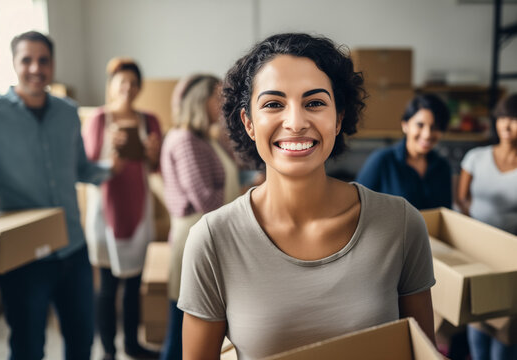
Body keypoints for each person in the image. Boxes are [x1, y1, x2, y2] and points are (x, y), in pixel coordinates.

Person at [177, 33, 436, 359]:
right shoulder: (213, 239)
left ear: (339, 118)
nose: (296, 122)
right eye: (273, 104)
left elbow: (423, 352)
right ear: (249, 123)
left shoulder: (399, 223)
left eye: (315, 103)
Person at [0, 31, 119, 360]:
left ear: (53, 64)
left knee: (82, 341)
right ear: (13, 63)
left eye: (43, 60)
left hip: (73, 249)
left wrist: (114, 167)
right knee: (28, 347)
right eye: (27, 60)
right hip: (24, 257)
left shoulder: (68, 113)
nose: (36, 68)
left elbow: (82, 169)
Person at [82, 58, 161, 360]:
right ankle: (108, 350)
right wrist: (110, 160)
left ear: (140, 88)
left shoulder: (150, 120)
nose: (127, 88)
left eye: (133, 83)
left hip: (138, 208)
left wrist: (153, 155)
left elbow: (156, 168)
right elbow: (87, 165)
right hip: (106, 211)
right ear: (112, 86)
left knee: (134, 284)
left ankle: (132, 343)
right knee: (107, 286)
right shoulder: (98, 119)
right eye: (122, 82)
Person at [159, 74, 240, 360]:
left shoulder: (205, 138)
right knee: (182, 326)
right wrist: (242, 197)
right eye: (216, 97)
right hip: (193, 235)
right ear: (199, 100)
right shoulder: (184, 140)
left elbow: (231, 173)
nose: (222, 103)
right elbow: (206, 199)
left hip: (210, 232)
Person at [457, 93, 517, 360]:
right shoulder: (476, 157)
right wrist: (474, 234)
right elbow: (461, 198)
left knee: (505, 337)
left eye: (514, 119)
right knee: (478, 323)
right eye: (503, 117)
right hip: (477, 254)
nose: (506, 125)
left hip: (512, 258)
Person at [356, 93, 452, 210]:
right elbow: (357, 206)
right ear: (405, 125)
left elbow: (446, 212)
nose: (427, 135)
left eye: (435, 127)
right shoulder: (381, 160)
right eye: (420, 125)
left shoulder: (443, 167)